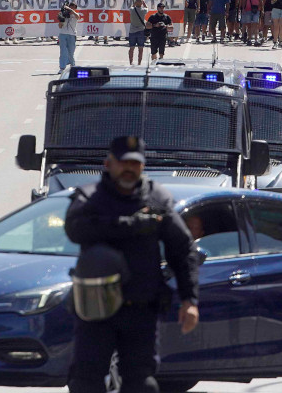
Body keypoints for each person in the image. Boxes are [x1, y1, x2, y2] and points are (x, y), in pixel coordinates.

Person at [64, 136, 199, 393]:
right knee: (85, 381)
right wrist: (130, 225)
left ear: (142, 166)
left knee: (141, 383)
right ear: (109, 164)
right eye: (123, 163)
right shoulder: (89, 198)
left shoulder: (156, 198)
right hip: (96, 308)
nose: (129, 169)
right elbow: (75, 230)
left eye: (135, 164)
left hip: (140, 309)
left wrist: (189, 300)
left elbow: (182, 249)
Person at [57, 0, 78, 70]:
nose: (72, 8)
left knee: (71, 52)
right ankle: (62, 67)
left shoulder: (75, 15)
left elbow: (78, 17)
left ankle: (72, 65)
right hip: (63, 34)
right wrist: (61, 20)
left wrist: (71, 10)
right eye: (70, 6)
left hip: (72, 34)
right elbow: (60, 26)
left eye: (73, 7)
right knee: (63, 51)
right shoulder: (63, 14)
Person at [126, 0, 148, 65]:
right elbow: (147, 8)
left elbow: (131, 7)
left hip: (132, 31)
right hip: (141, 31)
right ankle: (139, 63)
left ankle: (131, 62)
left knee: (131, 48)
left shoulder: (132, 10)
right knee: (140, 49)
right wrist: (144, 3)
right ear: (141, 3)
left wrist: (134, 3)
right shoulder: (143, 11)